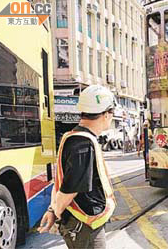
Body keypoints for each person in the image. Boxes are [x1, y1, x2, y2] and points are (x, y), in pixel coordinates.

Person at [38, 85, 116, 249]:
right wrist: (55, 211)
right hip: (84, 225)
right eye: (112, 113)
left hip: (83, 224)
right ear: (106, 114)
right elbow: (70, 188)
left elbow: (63, 181)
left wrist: (53, 210)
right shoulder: (83, 144)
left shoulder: (74, 137)